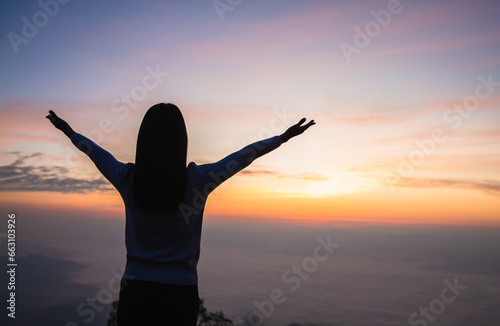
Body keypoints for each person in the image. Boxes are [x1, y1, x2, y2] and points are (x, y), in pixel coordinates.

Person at [46, 103, 315, 325]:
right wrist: (282, 138)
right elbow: (244, 156)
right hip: (180, 295)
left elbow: (96, 154)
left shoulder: (128, 179)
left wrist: (69, 131)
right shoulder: (198, 181)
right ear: (182, 140)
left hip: (135, 291)